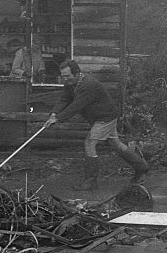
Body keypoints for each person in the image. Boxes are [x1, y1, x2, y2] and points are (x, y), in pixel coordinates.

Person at [46, 59, 148, 190]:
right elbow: (64, 99)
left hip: (105, 117)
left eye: (67, 76)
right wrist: (54, 113)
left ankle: (90, 182)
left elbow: (76, 106)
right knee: (116, 145)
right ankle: (142, 167)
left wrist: (58, 118)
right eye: (63, 76)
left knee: (90, 143)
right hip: (100, 117)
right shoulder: (71, 83)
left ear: (77, 73)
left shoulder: (88, 84)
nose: (65, 79)